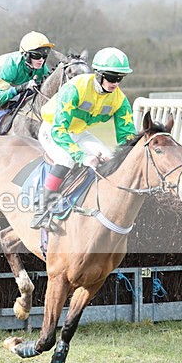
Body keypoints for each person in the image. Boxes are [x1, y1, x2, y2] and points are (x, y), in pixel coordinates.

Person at [32, 47, 136, 228]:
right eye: (111, 77)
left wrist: (126, 158)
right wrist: (82, 156)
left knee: (108, 159)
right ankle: (41, 207)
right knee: (66, 159)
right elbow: (59, 129)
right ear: (98, 74)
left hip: (79, 132)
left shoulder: (120, 100)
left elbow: (127, 136)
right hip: (53, 129)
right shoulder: (75, 87)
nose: (115, 83)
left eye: (120, 78)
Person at [0, 31, 55, 110]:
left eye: (45, 56)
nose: (41, 60)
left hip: (11, 84)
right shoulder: (11, 66)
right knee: (16, 99)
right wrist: (20, 88)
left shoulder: (41, 67)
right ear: (25, 55)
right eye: (36, 55)